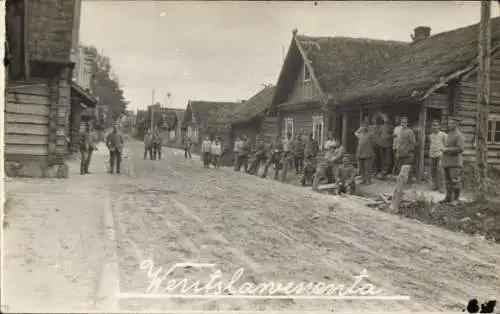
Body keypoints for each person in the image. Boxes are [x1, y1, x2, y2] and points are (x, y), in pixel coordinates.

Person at [441, 117, 465, 204]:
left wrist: (447, 150)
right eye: (449, 123)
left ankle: (456, 199)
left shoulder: (459, 135)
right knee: (447, 181)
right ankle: (448, 198)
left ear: (456, 124)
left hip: (455, 162)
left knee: (455, 181)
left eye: (452, 123)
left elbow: (461, 148)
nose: (449, 124)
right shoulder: (449, 134)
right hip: (447, 162)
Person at [395, 116, 417, 185]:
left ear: (407, 123)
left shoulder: (410, 131)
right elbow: (399, 142)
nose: (403, 124)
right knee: (401, 169)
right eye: (402, 122)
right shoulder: (400, 131)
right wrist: (398, 151)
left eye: (404, 122)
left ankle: (409, 183)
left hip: (407, 154)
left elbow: (413, 143)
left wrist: (407, 149)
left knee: (407, 169)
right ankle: (402, 183)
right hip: (400, 154)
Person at [429, 120, 447, 191]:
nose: (434, 127)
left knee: (440, 171)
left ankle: (442, 187)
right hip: (432, 155)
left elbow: (446, 145)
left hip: (440, 155)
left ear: (439, 126)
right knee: (432, 171)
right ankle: (434, 186)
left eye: (436, 125)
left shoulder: (443, 135)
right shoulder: (431, 136)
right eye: (433, 125)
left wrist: (444, 153)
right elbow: (431, 144)